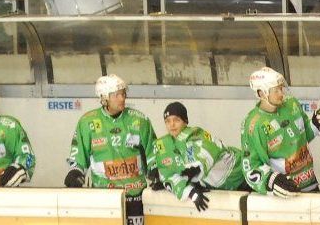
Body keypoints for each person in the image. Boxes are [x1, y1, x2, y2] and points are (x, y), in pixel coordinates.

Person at [65, 74, 156, 225]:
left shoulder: (140, 120)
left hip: (136, 196)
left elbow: (153, 152)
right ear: (104, 98)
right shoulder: (87, 122)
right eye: (116, 95)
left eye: (123, 93)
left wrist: (156, 171)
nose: (122, 98)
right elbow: (78, 155)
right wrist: (75, 171)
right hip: (103, 197)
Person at [240, 67, 320, 197]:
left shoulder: (291, 103)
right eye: (275, 90)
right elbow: (251, 166)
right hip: (285, 193)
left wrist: (317, 124)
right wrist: (272, 181)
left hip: (310, 183)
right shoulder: (254, 125)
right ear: (261, 93)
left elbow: (305, 135)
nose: (281, 93)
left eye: (281, 88)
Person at [149, 102, 246, 212]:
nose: (172, 125)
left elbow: (209, 149)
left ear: (185, 121)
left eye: (176, 120)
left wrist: (197, 167)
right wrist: (190, 192)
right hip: (223, 186)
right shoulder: (163, 145)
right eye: (168, 121)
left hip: (240, 173)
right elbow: (168, 175)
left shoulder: (196, 133)